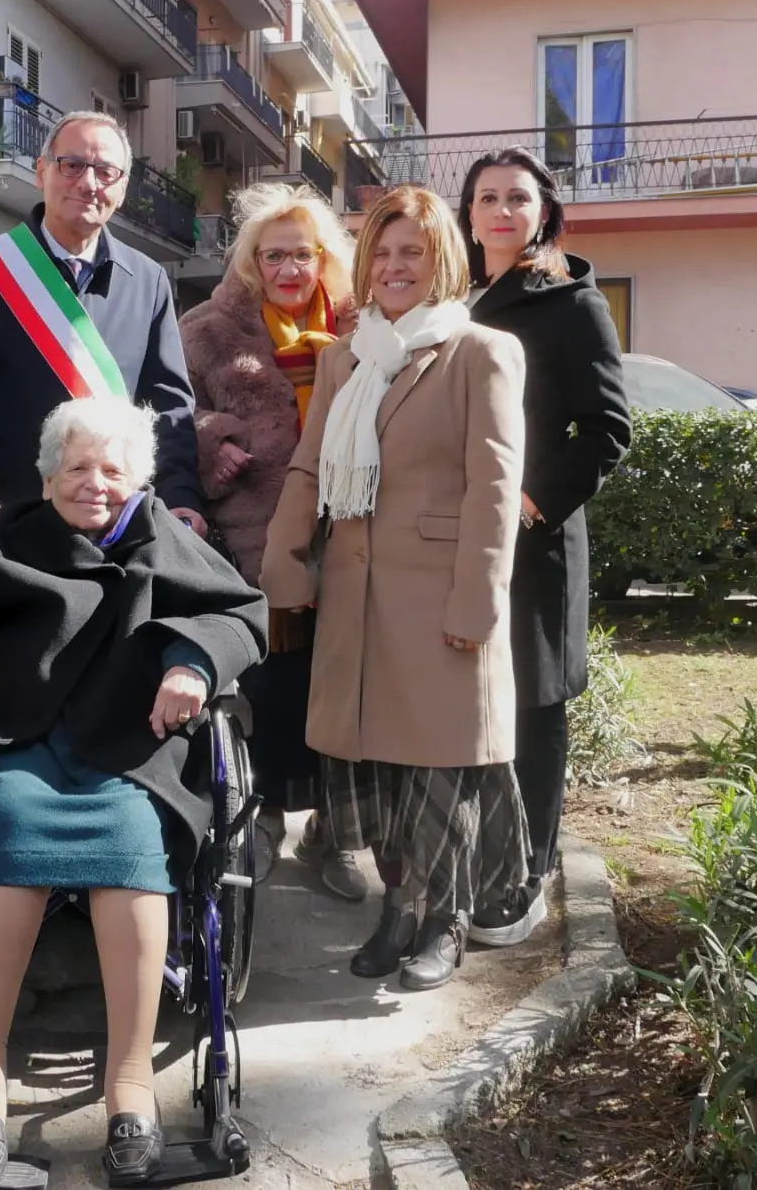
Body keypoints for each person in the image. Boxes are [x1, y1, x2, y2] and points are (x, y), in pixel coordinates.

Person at [0, 397, 265, 1186]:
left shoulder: (162, 535)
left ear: (137, 477)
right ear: (47, 474)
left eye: (111, 470)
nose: (94, 484)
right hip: (22, 739)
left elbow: (242, 612)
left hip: (128, 745)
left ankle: (130, 1089)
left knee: (134, 851)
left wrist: (192, 661)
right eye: (76, 468)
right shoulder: (11, 536)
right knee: (10, 843)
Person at [260, 185, 530, 993]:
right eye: (381, 251)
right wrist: (283, 557)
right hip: (356, 597)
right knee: (371, 772)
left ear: (440, 256)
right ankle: (397, 908)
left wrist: (479, 598)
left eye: (411, 249)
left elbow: (494, 482)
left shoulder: (481, 350)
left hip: (442, 597)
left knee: (441, 774)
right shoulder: (347, 354)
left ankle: (442, 921)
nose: (394, 265)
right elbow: (311, 462)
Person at [460, 148, 631, 947]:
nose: (500, 211)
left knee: (534, 701)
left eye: (516, 198)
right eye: (486, 197)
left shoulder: (570, 300)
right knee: (466, 695)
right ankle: (467, 854)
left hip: (533, 538)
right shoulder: (451, 294)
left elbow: (607, 430)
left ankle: (529, 866)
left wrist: (526, 506)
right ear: (466, 213)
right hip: (449, 531)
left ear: (543, 211)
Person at [178, 181, 365, 901]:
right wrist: (211, 445)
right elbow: (170, 413)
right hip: (251, 547)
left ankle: (339, 832)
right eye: (274, 254)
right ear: (252, 261)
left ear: (325, 260)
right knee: (267, 688)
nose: (289, 268)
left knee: (343, 687)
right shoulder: (208, 329)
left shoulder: (361, 328)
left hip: (348, 537)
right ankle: (261, 820)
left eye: (304, 254)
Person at [0, 111, 208, 536]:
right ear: (42, 170)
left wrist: (183, 499)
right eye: (72, 165)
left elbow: (168, 407)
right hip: (9, 526)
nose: (88, 183)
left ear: (123, 187)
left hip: (118, 530)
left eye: (105, 171)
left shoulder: (148, 280)